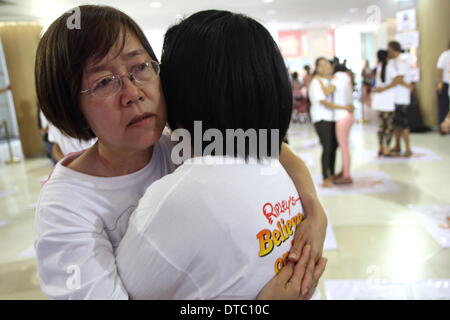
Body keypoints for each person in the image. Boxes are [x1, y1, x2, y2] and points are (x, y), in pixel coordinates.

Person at [34, 5, 327, 300]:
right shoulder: (65, 208)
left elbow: (274, 147)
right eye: (104, 82)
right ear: (70, 104)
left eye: (140, 67)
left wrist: (315, 213)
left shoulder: (175, 142)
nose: (133, 93)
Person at [309, 57, 354, 188]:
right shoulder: (315, 82)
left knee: (334, 147)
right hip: (321, 118)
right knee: (327, 147)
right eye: (321, 66)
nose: (325, 68)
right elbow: (324, 102)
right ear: (316, 68)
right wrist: (345, 108)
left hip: (332, 118)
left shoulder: (330, 80)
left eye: (327, 65)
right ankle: (325, 177)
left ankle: (332, 173)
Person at [386, 41, 413, 157]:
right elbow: (395, 78)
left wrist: (401, 83)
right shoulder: (392, 61)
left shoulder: (403, 58)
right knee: (396, 124)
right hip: (394, 97)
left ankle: (408, 148)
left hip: (402, 97)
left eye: (389, 49)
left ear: (393, 49)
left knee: (404, 124)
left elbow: (399, 78)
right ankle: (397, 146)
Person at [331, 62, 355, 184]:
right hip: (349, 115)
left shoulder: (337, 76)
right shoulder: (347, 76)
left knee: (344, 148)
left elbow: (329, 90)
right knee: (345, 147)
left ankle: (346, 176)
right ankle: (344, 171)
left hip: (342, 116)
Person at [372, 50, 397, 157]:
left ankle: (380, 147)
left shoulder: (378, 66)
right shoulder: (390, 67)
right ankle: (387, 148)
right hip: (388, 101)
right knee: (389, 126)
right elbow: (397, 80)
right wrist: (384, 89)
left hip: (379, 101)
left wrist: (381, 89)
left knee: (381, 125)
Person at [436, 40, 450, 135]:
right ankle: (442, 127)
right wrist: (439, 83)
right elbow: (439, 69)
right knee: (443, 106)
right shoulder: (445, 55)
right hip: (445, 83)